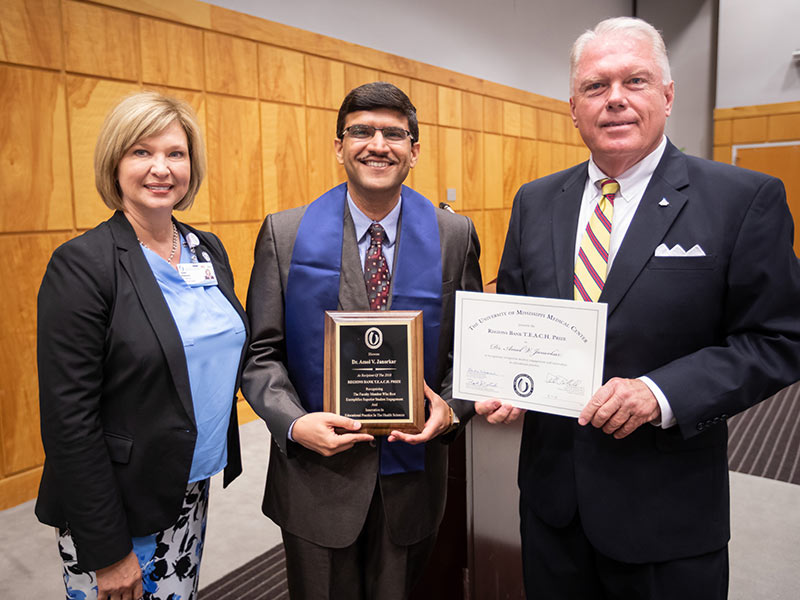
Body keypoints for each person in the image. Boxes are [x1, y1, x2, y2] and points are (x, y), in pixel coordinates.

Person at [477, 16, 800, 600]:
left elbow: (777, 338)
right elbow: (518, 315)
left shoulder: (742, 200)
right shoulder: (536, 201)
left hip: (666, 511)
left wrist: (660, 393)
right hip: (553, 505)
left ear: (668, 96)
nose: (615, 100)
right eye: (595, 87)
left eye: (636, 81)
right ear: (573, 107)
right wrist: (505, 382)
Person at [242, 81, 482, 599]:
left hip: (412, 476)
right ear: (338, 146)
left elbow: (471, 352)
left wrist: (454, 408)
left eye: (394, 133)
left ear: (414, 151)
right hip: (316, 477)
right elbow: (261, 355)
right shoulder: (285, 234)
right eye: (361, 131)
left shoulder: (453, 235)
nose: (378, 144)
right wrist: (294, 421)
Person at [36, 91, 249, 600]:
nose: (161, 168)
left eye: (175, 153)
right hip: (116, 504)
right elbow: (69, 421)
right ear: (115, 164)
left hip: (186, 484)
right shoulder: (83, 265)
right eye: (141, 152)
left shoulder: (206, 247)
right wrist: (108, 551)